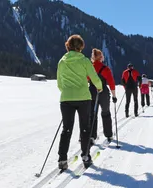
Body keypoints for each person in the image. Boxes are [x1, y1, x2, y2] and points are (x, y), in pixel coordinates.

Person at [56, 35, 103, 170]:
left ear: (68, 46)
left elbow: (59, 83)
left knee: (66, 129)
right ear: (81, 47)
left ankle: (62, 160)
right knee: (85, 128)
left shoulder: (62, 61)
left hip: (66, 99)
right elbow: (94, 77)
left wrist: (67, 92)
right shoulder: (84, 60)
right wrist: (99, 87)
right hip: (83, 98)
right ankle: (86, 156)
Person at [88, 48, 117, 144]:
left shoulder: (89, 68)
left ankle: (92, 136)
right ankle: (109, 135)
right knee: (106, 113)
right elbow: (111, 83)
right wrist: (114, 96)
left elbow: (86, 80)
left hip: (91, 92)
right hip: (103, 92)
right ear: (101, 57)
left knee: (92, 114)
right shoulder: (106, 69)